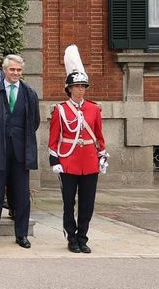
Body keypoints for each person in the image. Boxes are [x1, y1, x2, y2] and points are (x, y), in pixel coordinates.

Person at [49, 46, 107, 254]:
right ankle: (71, 237)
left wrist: (102, 156)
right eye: (77, 86)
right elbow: (54, 138)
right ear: (69, 89)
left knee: (87, 203)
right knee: (68, 202)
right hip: (68, 160)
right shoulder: (60, 110)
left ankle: (83, 237)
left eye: (83, 86)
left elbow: (99, 136)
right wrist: (54, 161)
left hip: (90, 161)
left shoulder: (94, 108)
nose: (80, 90)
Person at [0, 53, 39, 248]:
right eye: (12, 69)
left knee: (22, 196)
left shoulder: (30, 93)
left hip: (21, 154)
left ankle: (21, 235)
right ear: (4, 70)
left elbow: (34, 122)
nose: (15, 73)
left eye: (18, 70)